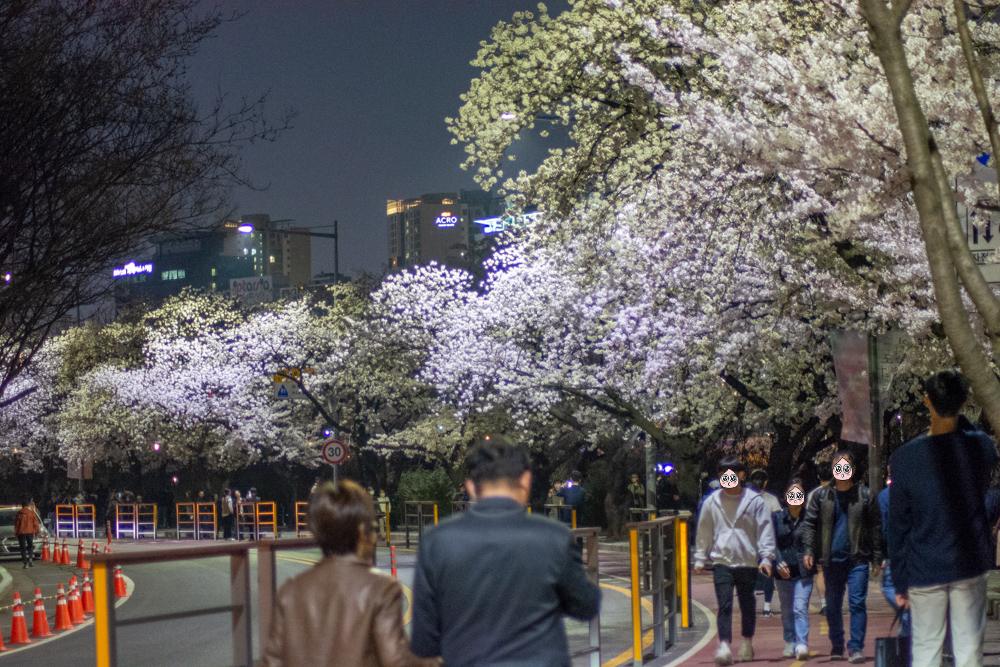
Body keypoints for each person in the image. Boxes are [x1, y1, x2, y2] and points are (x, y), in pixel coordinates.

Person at [410, 439, 600, 666]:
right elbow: (586, 605)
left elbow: (424, 643)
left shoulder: (436, 541)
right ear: (526, 481)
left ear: (470, 487)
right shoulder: (553, 537)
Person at [261, 480, 439, 667]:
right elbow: (396, 661)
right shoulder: (381, 588)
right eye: (374, 528)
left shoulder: (291, 589)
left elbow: (272, 660)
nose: (375, 536)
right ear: (362, 531)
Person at [887, 370, 999, 667]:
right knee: (969, 650)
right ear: (964, 403)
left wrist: (899, 582)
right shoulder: (981, 447)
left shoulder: (904, 459)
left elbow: (898, 526)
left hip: (925, 566)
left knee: (925, 649)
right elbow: (974, 437)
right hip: (970, 562)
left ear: (927, 402)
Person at [802, 449, 883, 663]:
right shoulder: (821, 496)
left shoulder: (865, 495)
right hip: (831, 560)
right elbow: (809, 523)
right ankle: (837, 644)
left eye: (846, 466)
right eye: (838, 466)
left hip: (858, 559)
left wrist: (876, 557)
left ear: (853, 470)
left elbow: (876, 527)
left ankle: (855, 647)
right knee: (833, 605)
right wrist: (809, 550)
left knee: (857, 603)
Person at [694, 455, 776, 665]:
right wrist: (700, 558)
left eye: (731, 472)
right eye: (722, 473)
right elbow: (704, 530)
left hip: (747, 561)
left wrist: (766, 557)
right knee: (724, 604)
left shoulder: (754, 501)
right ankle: (724, 645)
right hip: (722, 561)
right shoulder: (712, 501)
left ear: (741, 475)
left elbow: (765, 530)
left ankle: (747, 641)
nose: (726, 476)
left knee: (747, 603)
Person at [772, 479, 816, 660]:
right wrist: (778, 563)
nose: (795, 498)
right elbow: (769, 542)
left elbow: (814, 540)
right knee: (787, 609)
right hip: (783, 571)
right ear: (785, 497)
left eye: (799, 494)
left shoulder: (810, 518)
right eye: (792, 494)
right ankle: (790, 640)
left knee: (800, 607)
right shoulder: (776, 518)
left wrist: (810, 553)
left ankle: (802, 643)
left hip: (804, 572)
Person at [876, 465, 910, 640]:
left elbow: (881, 528)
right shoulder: (917, 493)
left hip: (894, 555)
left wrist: (881, 555)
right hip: (916, 555)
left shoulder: (884, 496)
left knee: (890, 587)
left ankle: (908, 627)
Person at [749, 469, 781, 617]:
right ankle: (767, 608)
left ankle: (751, 603)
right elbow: (778, 522)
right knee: (768, 574)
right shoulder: (772, 500)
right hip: (767, 543)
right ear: (765, 482)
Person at [809, 460, 834, 616]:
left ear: (818, 476)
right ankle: (834, 601)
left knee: (820, 571)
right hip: (836, 537)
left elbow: (809, 520)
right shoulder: (839, 491)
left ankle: (824, 604)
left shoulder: (813, 494)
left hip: (819, 538)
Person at [14, 501, 40, 569]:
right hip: (30, 532)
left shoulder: (19, 513)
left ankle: (25, 564)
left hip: (21, 532)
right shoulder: (31, 513)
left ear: (21, 505)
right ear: (28, 505)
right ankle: (30, 558)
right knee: (30, 546)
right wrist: (37, 532)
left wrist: (16, 533)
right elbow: (35, 523)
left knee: (23, 548)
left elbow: (17, 524)